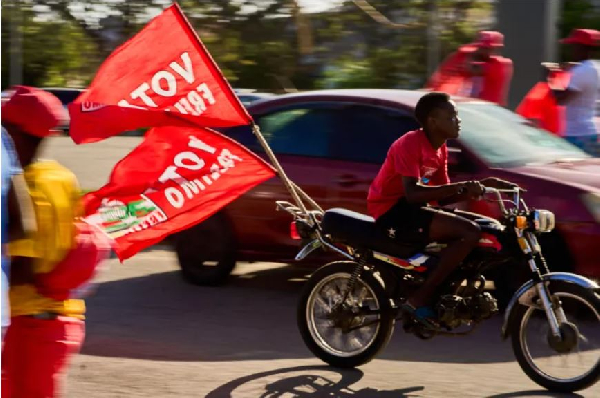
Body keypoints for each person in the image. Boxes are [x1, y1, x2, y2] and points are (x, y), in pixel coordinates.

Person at [367, 92, 517, 329]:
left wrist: (485, 184)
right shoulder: (410, 143)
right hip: (391, 210)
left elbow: (443, 198)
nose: (458, 120)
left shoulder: (440, 148)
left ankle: (445, 292)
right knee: (469, 232)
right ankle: (419, 298)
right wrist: (461, 186)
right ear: (432, 121)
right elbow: (413, 193)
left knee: (489, 228)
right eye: (452, 116)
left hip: (414, 208)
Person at [1, 86, 111, 398]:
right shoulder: (58, 176)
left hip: (31, 330)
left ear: (15, 134)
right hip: (58, 322)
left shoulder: (27, 189)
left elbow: (22, 271)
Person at [548, 28, 600, 156]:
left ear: (582, 48)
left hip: (577, 134)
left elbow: (561, 99)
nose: (571, 50)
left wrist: (550, 78)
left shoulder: (582, 72)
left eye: (573, 46)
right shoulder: (594, 67)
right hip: (589, 131)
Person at [426, 31, 513, 106]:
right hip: (468, 107)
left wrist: (467, 54)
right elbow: (444, 74)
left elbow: (472, 70)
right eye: (481, 47)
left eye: (488, 48)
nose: (484, 51)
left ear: (496, 49)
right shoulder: (468, 58)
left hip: (489, 109)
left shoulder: (501, 64)